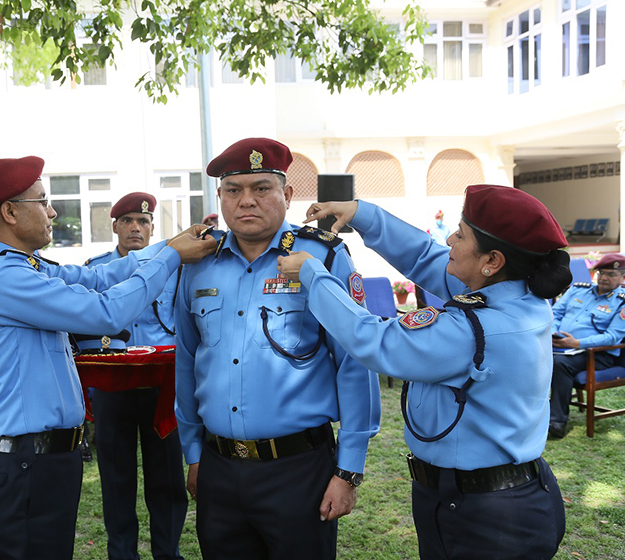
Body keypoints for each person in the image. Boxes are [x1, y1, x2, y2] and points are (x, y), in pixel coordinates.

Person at [277, 184, 571, 560]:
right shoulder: (515, 291)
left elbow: (373, 341)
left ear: (492, 261)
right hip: (475, 496)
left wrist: (315, 276)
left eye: (461, 236)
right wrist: (362, 213)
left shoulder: (473, 328)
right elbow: (422, 256)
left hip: (489, 515)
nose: (450, 238)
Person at [0, 155, 215, 560]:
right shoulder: (2, 276)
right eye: (42, 201)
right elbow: (105, 312)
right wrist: (171, 258)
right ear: (9, 212)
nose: (52, 210)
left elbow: (96, 277)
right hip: (25, 465)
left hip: (38, 462)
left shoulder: (17, 266)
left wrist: (169, 245)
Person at [174, 138, 380, 560]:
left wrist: (348, 470)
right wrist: (194, 453)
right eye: (233, 190)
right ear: (221, 197)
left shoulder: (322, 255)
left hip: (299, 470)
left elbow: (355, 362)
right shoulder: (197, 262)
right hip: (218, 466)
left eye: (261, 188)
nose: (246, 201)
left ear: (286, 195)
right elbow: (188, 360)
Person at [83, 192, 187, 560]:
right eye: (127, 220)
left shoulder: (174, 268)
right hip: (114, 388)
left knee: (168, 481)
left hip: (163, 389)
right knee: (117, 480)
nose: (135, 228)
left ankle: (167, 553)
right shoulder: (96, 269)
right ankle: (122, 554)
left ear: (152, 228)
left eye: (143, 222)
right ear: (114, 226)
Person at [548, 253, 625, 438]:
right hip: (561, 346)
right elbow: (554, 314)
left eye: (612, 274)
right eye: (602, 272)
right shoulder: (577, 290)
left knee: (560, 364)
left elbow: (613, 337)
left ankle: (556, 422)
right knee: (533, 357)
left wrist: (578, 343)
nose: (605, 277)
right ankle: (531, 416)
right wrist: (553, 332)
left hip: (597, 355)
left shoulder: (621, 301)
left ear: (623, 277)